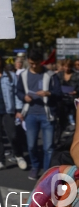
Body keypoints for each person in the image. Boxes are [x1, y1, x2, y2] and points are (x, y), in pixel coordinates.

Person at [17, 49, 62, 180]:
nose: (34, 66)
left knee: (48, 147)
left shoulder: (50, 75)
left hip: (47, 114)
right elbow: (18, 91)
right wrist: (24, 97)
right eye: (31, 63)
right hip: (30, 114)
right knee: (31, 146)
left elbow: (59, 93)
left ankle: (46, 171)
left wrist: (49, 93)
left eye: (36, 63)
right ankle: (35, 166)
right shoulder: (24, 75)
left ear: (41, 62)